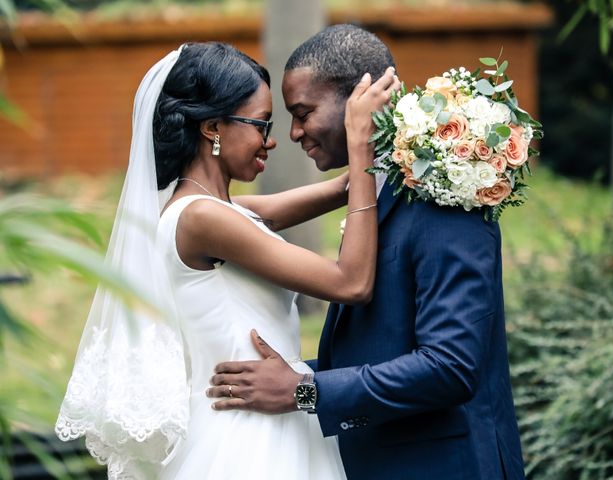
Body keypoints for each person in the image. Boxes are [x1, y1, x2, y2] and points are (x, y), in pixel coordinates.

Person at [55, 41, 399, 479]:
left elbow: (340, 189)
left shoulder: (218, 211)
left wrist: (392, 137)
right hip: (248, 439)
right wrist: (358, 142)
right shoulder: (202, 218)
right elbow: (350, 283)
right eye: (260, 124)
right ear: (213, 127)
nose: (272, 140)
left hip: (264, 418)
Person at [210, 24, 526, 480]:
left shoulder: (443, 196)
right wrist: (288, 377)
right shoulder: (375, 189)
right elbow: (381, 349)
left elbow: (450, 367)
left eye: (303, 112)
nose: (295, 133)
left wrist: (304, 390)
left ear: (360, 97)